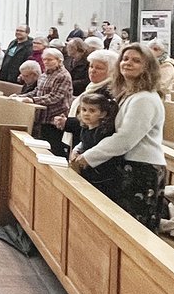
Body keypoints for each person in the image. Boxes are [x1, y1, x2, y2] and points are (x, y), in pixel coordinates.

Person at [71, 43, 167, 230]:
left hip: (142, 169)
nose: (128, 63)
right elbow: (102, 129)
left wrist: (86, 158)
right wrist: (80, 148)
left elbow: (124, 139)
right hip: (127, 165)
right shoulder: (127, 94)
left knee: (134, 230)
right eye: (125, 59)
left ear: (148, 67)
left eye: (136, 60)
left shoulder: (145, 99)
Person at [54, 48, 119, 149]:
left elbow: (98, 122)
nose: (93, 70)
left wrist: (67, 122)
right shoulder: (92, 86)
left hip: (91, 144)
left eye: (99, 68)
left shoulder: (108, 91)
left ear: (111, 71)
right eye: (91, 66)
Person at [17, 48, 74, 155]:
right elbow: (37, 91)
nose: (46, 62)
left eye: (50, 59)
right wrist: (20, 97)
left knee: (53, 149)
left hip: (54, 118)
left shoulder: (63, 75)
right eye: (44, 60)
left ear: (59, 60)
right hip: (42, 117)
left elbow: (55, 97)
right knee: (40, 148)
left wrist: (33, 100)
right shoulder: (44, 74)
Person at [68, 93, 122, 197]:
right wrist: (76, 151)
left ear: (102, 114)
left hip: (102, 178)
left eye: (92, 111)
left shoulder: (103, 132)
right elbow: (84, 143)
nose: (86, 114)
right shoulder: (85, 128)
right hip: (89, 173)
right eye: (83, 110)